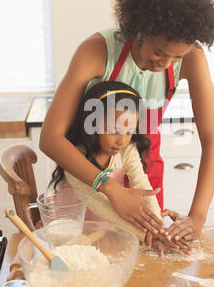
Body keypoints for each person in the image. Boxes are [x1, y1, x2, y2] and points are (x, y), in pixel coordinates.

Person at [40, 0, 214, 247]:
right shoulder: (97, 51)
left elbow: (213, 142)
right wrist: (111, 187)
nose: (166, 63)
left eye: (178, 56)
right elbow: (51, 139)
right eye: (160, 52)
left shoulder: (193, 59)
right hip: (90, 169)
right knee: (94, 251)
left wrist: (197, 217)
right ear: (141, 29)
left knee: (150, 254)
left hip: (144, 165)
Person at [48, 80, 188, 256]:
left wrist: (159, 230)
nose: (122, 140)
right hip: (71, 237)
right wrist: (147, 235)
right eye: (113, 131)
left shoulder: (126, 151)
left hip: (106, 233)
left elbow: (143, 187)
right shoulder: (75, 159)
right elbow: (101, 206)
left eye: (129, 131)